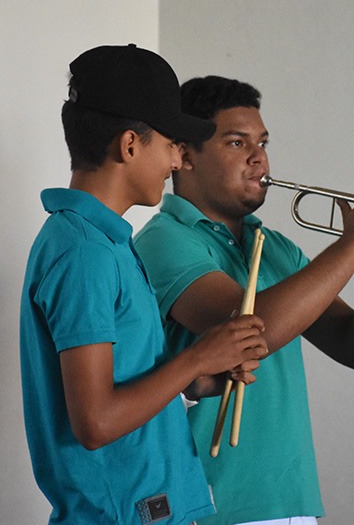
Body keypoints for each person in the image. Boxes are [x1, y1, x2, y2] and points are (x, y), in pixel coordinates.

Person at [133, 75, 354, 525]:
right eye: (237, 143)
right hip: (211, 505)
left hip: (291, 500)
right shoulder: (163, 241)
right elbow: (249, 333)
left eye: (263, 142)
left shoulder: (273, 246)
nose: (259, 158)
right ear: (185, 155)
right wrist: (351, 247)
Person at [20, 46, 269, 524]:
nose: (178, 160)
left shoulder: (104, 241)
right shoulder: (83, 252)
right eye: (172, 143)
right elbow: (95, 423)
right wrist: (198, 355)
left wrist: (202, 378)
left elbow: (127, 380)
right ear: (130, 145)